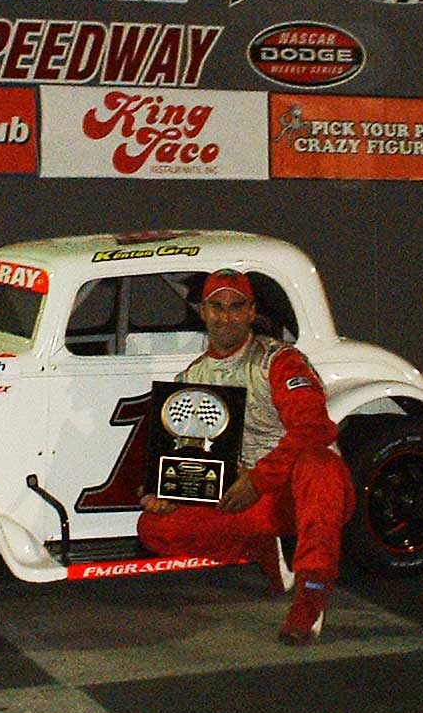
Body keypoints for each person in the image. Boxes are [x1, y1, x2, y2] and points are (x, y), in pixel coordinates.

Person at [138, 268, 356, 645]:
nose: (227, 316)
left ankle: (312, 593)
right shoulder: (191, 377)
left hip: (307, 492)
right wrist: (164, 491)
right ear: (202, 311)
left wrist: (258, 480)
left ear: (252, 312)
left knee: (318, 465)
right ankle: (262, 543)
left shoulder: (279, 361)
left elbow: (314, 429)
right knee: (155, 528)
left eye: (236, 307)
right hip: (250, 494)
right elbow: (188, 456)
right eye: (217, 307)